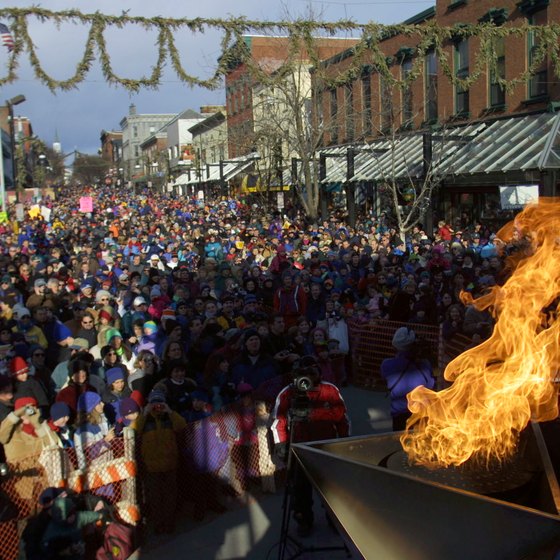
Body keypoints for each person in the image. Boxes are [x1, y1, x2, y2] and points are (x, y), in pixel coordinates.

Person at [271, 356, 350, 537]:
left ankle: (333, 518)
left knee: (331, 488)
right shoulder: (287, 393)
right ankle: (304, 519)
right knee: (300, 490)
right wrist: (281, 445)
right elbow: (278, 422)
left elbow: (343, 419)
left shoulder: (330, 390)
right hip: (300, 450)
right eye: (302, 373)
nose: (307, 377)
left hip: (326, 448)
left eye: (311, 373)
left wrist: (345, 442)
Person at [134, 389, 186, 534]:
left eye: (160, 403)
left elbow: (182, 425)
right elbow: (133, 431)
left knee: (170, 496)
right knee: (155, 498)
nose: (157, 407)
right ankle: (158, 523)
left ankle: (169, 523)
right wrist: (144, 414)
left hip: (170, 463)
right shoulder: (145, 420)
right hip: (151, 466)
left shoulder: (169, 418)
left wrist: (169, 411)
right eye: (154, 403)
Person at [380, 327, 435, 431]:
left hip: (399, 414)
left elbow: (385, 380)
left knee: (400, 443)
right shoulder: (425, 365)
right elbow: (431, 385)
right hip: (421, 413)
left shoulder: (387, 365)